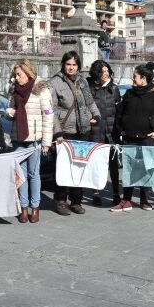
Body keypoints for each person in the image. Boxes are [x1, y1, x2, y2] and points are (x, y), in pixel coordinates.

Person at [49, 51, 101, 216]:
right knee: (63, 168)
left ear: (78, 66)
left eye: (74, 65)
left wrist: (97, 115)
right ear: (63, 65)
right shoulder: (55, 82)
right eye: (68, 64)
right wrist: (57, 133)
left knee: (79, 167)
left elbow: (90, 102)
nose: (71, 68)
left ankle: (76, 201)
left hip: (82, 129)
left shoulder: (82, 81)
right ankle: (61, 201)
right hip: (65, 131)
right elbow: (52, 110)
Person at [112, 62, 154, 211]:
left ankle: (144, 199)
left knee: (146, 169)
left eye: (135, 76)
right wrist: (121, 129)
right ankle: (127, 200)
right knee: (130, 169)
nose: (132, 78)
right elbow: (120, 113)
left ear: (143, 78)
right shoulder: (130, 93)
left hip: (148, 139)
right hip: (130, 137)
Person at [6, 60, 53, 223]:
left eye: (19, 74)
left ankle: (35, 208)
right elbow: (8, 109)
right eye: (15, 74)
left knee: (34, 174)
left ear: (28, 73)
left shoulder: (40, 89)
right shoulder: (14, 90)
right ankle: (23, 208)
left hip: (34, 139)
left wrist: (46, 141)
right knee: (21, 175)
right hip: (18, 137)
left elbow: (48, 115)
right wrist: (9, 112)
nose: (16, 77)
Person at [88, 59, 121, 207]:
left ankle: (115, 193)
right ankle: (96, 192)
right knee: (96, 163)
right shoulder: (89, 88)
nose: (105, 74)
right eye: (102, 71)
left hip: (111, 131)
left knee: (113, 164)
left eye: (107, 71)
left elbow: (119, 110)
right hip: (95, 131)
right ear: (96, 73)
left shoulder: (114, 89)